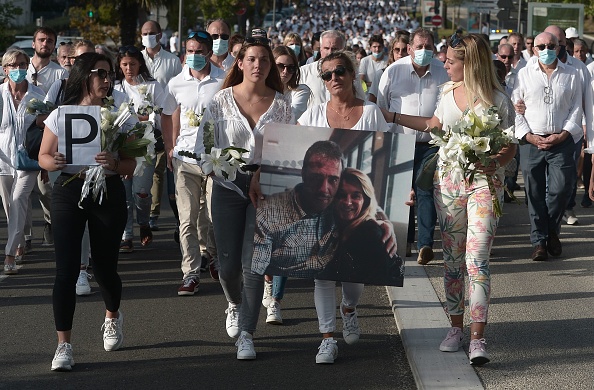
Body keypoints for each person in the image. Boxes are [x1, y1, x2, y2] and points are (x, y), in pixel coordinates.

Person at [382, 33, 517, 365]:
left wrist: (495, 161)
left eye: (451, 61)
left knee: (478, 260)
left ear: (468, 64)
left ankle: (478, 337)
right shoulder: (446, 93)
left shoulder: (499, 99)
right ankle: (456, 328)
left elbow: (511, 144)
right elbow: (433, 125)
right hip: (448, 186)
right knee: (453, 262)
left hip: (485, 185)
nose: (444, 64)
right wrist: (392, 116)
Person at [198, 31, 292, 360]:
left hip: (265, 189)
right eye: (251, 59)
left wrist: (265, 172)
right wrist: (220, 169)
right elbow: (202, 148)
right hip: (226, 186)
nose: (258, 64)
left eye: (264, 60)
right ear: (240, 63)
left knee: (254, 263)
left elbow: (288, 149)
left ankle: (247, 335)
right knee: (226, 265)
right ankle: (234, 304)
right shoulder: (219, 101)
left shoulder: (282, 105)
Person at [39, 52, 136, 371]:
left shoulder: (121, 114)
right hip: (69, 189)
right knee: (66, 271)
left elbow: (132, 163)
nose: (108, 80)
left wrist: (116, 164)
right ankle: (63, 345)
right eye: (102, 74)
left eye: (111, 75)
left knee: (105, 268)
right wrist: (53, 162)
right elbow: (43, 155)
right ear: (84, 76)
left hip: (107, 190)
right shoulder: (61, 114)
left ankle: (112, 317)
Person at [297, 51, 392, 364]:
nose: (334, 78)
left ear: (353, 75)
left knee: (354, 273)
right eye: (327, 74)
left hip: (353, 209)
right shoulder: (312, 114)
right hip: (322, 208)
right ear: (323, 81)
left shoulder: (372, 112)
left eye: (340, 72)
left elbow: (389, 155)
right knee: (322, 275)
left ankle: (349, 309)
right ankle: (326, 338)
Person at [377, 27, 449, 264]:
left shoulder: (442, 72)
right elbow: (382, 108)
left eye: (428, 47)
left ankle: (425, 244)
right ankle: (402, 242)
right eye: (419, 47)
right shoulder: (393, 72)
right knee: (400, 195)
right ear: (409, 49)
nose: (424, 51)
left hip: (431, 145)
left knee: (425, 191)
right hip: (399, 141)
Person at [161, 31, 225, 295]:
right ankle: (190, 273)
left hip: (215, 159)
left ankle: (215, 258)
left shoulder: (224, 80)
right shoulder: (176, 83)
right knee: (186, 219)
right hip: (185, 160)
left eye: (199, 51)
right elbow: (166, 115)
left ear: (209, 53)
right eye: (190, 51)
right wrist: (169, 147)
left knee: (213, 217)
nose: (194, 56)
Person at [512, 31, 583, 261]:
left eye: (551, 45)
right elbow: (515, 109)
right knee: (534, 193)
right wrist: (529, 136)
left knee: (561, 190)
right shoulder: (524, 74)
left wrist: (563, 135)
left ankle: (551, 229)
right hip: (532, 142)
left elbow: (576, 108)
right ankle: (540, 241)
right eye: (540, 46)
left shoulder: (572, 74)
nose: (546, 50)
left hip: (560, 142)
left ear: (559, 47)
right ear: (533, 49)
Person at [259, 45, 312, 325]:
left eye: (290, 67)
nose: (285, 71)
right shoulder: (257, 91)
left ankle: (276, 300)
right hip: (258, 167)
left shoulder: (299, 92)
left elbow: (286, 116)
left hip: (288, 166)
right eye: (280, 66)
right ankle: (267, 281)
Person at [114, 46, 168, 251]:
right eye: (125, 64)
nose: (129, 69)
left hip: (145, 147)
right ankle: (126, 235)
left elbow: (161, 115)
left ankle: (144, 222)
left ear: (140, 65)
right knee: (124, 193)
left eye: (133, 64)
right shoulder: (115, 87)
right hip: (120, 146)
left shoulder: (152, 86)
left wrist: (148, 118)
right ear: (119, 66)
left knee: (142, 192)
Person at [316, 168, 404, 286]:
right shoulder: (331, 222)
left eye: (356, 196)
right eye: (341, 195)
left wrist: (384, 222)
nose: (348, 202)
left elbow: (377, 285)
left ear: (365, 201)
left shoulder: (370, 233)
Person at [1, 49, 45, 275]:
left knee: (18, 199)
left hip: (28, 160)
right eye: (12, 65)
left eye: (22, 64)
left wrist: (45, 160)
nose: (17, 69)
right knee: (11, 206)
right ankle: (20, 239)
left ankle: (9, 254)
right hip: (3, 161)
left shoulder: (37, 95)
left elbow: (47, 129)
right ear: (4, 68)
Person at [140, 20, 183, 234]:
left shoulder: (172, 61)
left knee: (167, 169)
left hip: (167, 121)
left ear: (160, 35)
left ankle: (172, 216)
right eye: (145, 33)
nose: (148, 36)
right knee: (146, 170)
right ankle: (149, 214)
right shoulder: (137, 60)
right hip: (143, 122)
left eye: (152, 33)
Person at [299, 30, 347, 106]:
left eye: (335, 49)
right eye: (326, 48)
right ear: (320, 49)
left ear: (343, 50)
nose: (330, 53)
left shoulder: (350, 73)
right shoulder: (304, 72)